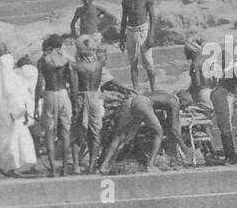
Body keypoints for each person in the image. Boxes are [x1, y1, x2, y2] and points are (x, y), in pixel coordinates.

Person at [98, 89, 194, 173]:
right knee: (159, 132)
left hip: (132, 100)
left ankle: (104, 165)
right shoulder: (174, 101)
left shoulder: (165, 94)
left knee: (120, 135)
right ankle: (151, 165)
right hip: (143, 103)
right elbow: (174, 130)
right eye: (186, 105)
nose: (184, 109)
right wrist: (185, 148)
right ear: (182, 100)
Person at [0, 43, 37, 176]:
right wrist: (20, 110)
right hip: (12, 112)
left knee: (5, 139)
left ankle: (4, 167)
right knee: (12, 140)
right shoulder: (7, 69)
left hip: (3, 111)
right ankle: (10, 167)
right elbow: (12, 92)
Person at [35, 34, 74, 177]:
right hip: (63, 93)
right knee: (65, 132)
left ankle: (52, 168)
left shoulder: (42, 61)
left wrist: (35, 104)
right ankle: (64, 167)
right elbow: (73, 82)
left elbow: (39, 84)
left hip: (50, 94)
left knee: (49, 133)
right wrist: (74, 101)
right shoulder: (66, 59)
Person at [71, 34, 106, 173]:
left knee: (77, 132)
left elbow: (74, 88)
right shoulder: (99, 64)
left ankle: (75, 166)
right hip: (95, 97)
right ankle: (92, 165)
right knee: (96, 132)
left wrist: (74, 104)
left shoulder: (76, 66)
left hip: (82, 96)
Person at [119, 0, 156, 91]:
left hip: (143, 31)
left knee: (148, 61)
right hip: (131, 32)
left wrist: (151, 36)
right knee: (133, 62)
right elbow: (124, 20)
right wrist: (121, 38)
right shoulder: (125, 2)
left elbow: (152, 18)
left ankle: (153, 88)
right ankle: (136, 90)